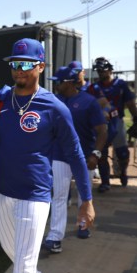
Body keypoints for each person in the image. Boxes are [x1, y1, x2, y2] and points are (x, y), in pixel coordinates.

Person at [0, 38, 95, 273]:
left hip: (35, 194)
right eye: (15, 64)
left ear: (40, 66)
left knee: (25, 265)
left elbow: (76, 154)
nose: (19, 70)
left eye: (26, 65)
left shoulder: (53, 107)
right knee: (15, 254)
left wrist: (87, 199)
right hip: (2, 191)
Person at [44, 64, 107, 251]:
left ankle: (83, 225)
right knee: (59, 195)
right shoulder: (55, 100)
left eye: (59, 82)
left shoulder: (89, 101)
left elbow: (102, 131)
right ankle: (55, 236)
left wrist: (96, 154)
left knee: (83, 195)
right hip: (60, 155)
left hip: (84, 155)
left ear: (69, 83)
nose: (56, 85)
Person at [87, 57, 137, 192]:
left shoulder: (120, 84)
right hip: (100, 124)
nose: (100, 73)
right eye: (98, 71)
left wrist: (136, 119)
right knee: (101, 154)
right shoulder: (94, 87)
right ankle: (105, 182)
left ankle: (123, 171)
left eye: (103, 70)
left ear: (110, 70)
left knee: (122, 153)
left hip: (117, 122)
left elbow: (130, 103)